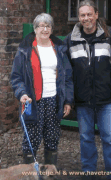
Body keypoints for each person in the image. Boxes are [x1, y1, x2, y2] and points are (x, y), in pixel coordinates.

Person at [64, 0, 111, 180]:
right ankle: (89, 173)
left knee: (110, 139)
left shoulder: (110, 35)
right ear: (79, 17)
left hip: (106, 99)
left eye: (89, 14)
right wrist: (69, 99)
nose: (86, 18)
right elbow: (66, 72)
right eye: (82, 15)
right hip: (83, 101)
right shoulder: (70, 40)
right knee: (86, 140)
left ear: (96, 15)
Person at [10, 13, 74, 166]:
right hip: (33, 100)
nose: (45, 29)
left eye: (48, 26)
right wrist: (22, 94)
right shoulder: (25, 50)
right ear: (35, 28)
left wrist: (68, 101)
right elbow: (16, 76)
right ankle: (28, 172)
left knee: (52, 138)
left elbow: (68, 77)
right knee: (31, 139)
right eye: (41, 26)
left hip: (54, 100)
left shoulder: (59, 48)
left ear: (51, 29)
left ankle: (49, 172)